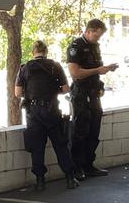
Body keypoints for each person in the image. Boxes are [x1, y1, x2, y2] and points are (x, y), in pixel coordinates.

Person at [15, 40, 79, 190]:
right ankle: (70, 178)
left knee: (37, 147)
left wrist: (31, 94)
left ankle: (40, 182)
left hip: (33, 112)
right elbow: (65, 89)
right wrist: (52, 91)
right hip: (51, 111)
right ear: (46, 51)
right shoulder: (55, 66)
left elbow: (17, 93)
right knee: (60, 145)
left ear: (33, 52)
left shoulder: (24, 68)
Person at [67, 18, 118, 181]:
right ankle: (76, 168)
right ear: (89, 31)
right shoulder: (76, 47)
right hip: (81, 94)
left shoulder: (95, 47)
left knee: (94, 131)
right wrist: (98, 70)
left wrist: (102, 76)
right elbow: (75, 73)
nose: (98, 39)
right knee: (80, 131)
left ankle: (89, 164)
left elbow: (96, 71)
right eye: (97, 35)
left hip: (94, 93)